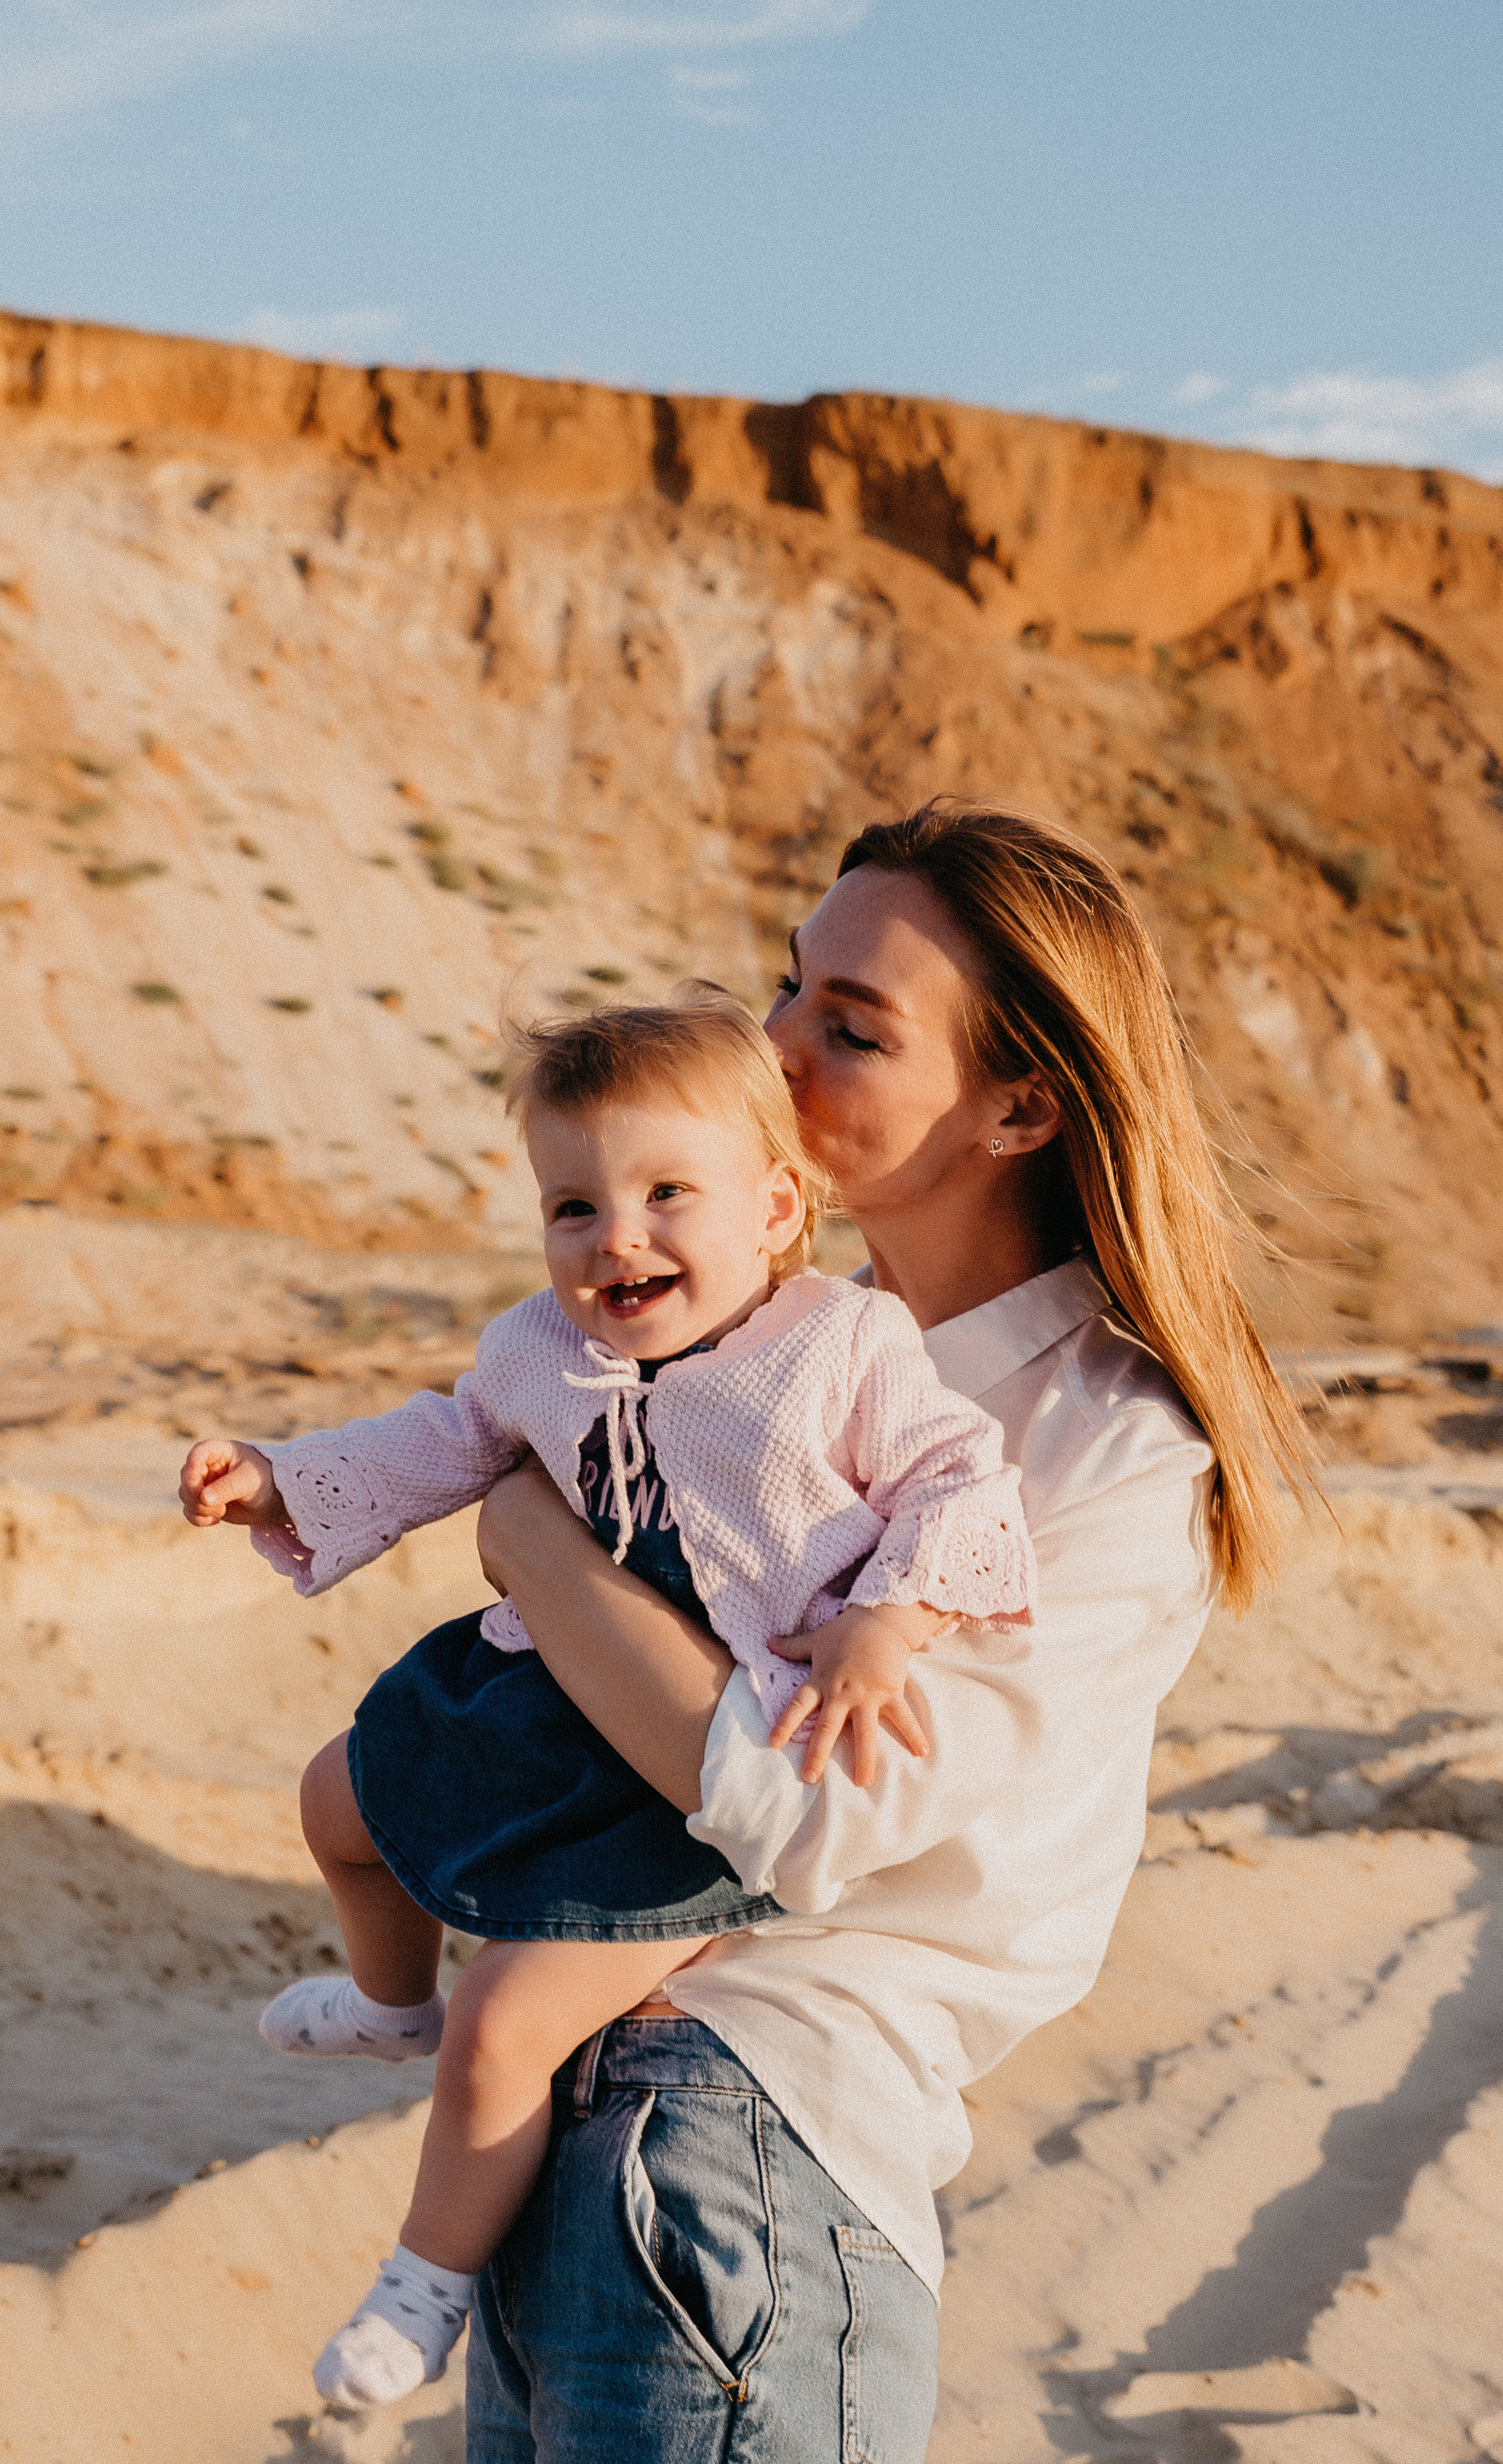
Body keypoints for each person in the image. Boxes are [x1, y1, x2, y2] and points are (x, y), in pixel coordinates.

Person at [450, 798, 1313, 2464]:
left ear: (1020, 1106)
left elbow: (818, 1804)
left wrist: (528, 1540)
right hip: (572, 2132)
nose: (774, 1045)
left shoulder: (1109, 1447)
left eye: (850, 1026)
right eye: (788, 984)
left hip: (741, 2144)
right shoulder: (762, 1356)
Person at [177, 989, 1036, 2409]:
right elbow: (441, 1444)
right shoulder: (538, 1349)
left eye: (664, 1195)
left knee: (507, 2020)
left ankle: (425, 2282)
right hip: (551, 1696)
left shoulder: (842, 1349)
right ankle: (389, 2001)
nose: (615, 1237)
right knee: (338, 1798)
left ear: (774, 1210)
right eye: (572, 1207)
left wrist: (887, 1622)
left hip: (696, 1771)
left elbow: (961, 1482)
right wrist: (280, 1478)